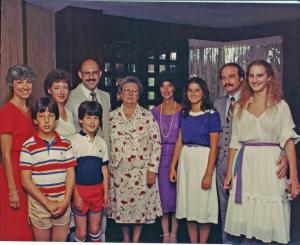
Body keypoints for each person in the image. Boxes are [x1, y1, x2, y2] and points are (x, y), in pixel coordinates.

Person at [223, 60, 300, 244]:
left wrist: (295, 177)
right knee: (248, 221)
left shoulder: (281, 106)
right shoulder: (240, 107)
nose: (255, 79)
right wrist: (229, 174)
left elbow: (288, 141)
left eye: (260, 75)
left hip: (270, 166)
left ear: (269, 78)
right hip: (246, 166)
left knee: (270, 220)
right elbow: (234, 142)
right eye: (251, 75)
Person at [109, 76, 162, 243]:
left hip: (142, 173)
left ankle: (136, 239)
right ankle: (126, 238)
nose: (131, 94)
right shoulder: (111, 117)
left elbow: (157, 144)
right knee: (123, 209)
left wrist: (152, 170)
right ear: (120, 94)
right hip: (119, 173)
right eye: (127, 90)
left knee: (140, 209)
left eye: (135, 91)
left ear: (139, 95)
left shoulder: (147, 116)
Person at [169, 77, 221, 244]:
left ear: (203, 93)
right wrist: (172, 166)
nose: (193, 93)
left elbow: (214, 147)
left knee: (203, 205)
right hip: (186, 162)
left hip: (203, 161)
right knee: (190, 205)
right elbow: (179, 141)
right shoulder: (183, 114)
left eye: (197, 90)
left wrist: (208, 174)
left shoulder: (212, 115)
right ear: (186, 93)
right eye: (190, 90)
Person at [66, 59, 111, 241]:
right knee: (79, 229)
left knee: (99, 226)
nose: (91, 77)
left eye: (95, 73)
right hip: (80, 172)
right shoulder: (70, 96)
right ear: (79, 75)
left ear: (100, 74)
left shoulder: (106, 96)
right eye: (87, 73)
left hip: (99, 166)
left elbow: (106, 130)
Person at [20, 97, 76, 241]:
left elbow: (70, 174)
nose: (46, 120)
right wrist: (47, 203)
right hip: (39, 205)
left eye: (50, 116)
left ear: (56, 119)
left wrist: (65, 202)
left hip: (62, 202)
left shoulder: (66, 144)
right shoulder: (28, 146)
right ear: (35, 120)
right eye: (41, 116)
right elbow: (25, 180)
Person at [0, 64, 36, 241]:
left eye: (28, 82)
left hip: (30, 175)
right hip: (13, 175)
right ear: (11, 85)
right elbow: (5, 154)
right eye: (19, 82)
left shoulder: (32, 110)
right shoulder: (7, 111)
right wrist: (12, 190)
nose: (25, 86)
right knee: (16, 228)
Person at [69, 101, 109, 242]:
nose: (92, 122)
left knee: (95, 229)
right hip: (80, 192)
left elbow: (104, 169)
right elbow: (71, 172)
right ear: (80, 119)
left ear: (99, 121)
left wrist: (106, 192)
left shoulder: (101, 143)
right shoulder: (72, 142)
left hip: (97, 192)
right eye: (88, 117)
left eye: (96, 118)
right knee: (81, 232)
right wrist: (75, 195)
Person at [151, 75, 181, 243]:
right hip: (160, 159)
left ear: (174, 88)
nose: (166, 89)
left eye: (170, 85)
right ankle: (165, 234)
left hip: (178, 158)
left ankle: (175, 234)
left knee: (177, 197)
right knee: (162, 198)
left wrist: (175, 163)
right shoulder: (154, 112)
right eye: (162, 86)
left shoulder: (182, 110)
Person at [44, 68, 76, 138]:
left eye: (65, 87)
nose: (62, 92)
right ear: (49, 90)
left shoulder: (69, 113)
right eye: (57, 88)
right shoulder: (47, 113)